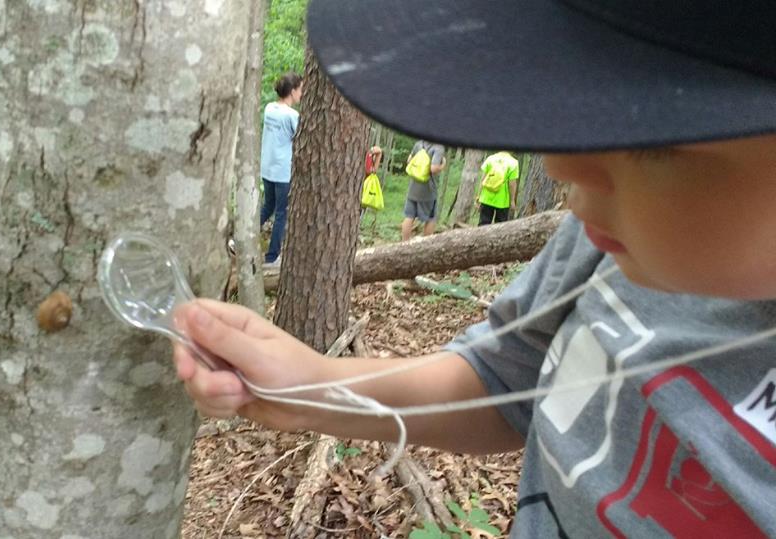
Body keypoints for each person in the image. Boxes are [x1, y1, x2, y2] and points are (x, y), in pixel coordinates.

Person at [172, 0, 776, 536]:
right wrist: (315, 386)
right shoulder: (610, 243)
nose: (563, 169)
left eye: (656, 140)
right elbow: (505, 381)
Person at [259, 72, 302, 268]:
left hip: (267, 167)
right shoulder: (292, 116)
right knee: (281, 213)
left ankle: (239, 240)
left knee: (268, 206)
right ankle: (272, 257)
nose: (301, 93)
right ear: (292, 91)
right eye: (300, 89)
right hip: (283, 171)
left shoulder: (270, 109)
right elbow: (300, 139)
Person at [401, 140, 445, 240]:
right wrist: (442, 166)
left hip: (413, 187)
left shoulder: (419, 143)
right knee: (430, 218)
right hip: (428, 189)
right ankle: (426, 244)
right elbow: (433, 169)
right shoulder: (438, 147)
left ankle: (404, 244)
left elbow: (409, 161)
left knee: (409, 216)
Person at [477, 151, 519, 226]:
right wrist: (512, 200)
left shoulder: (490, 159)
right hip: (502, 201)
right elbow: (512, 184)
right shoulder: (513, 163)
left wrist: (479, 195)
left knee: (483, 223)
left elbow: (483, 179)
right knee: (500, 226)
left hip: (486, 197)